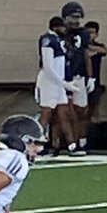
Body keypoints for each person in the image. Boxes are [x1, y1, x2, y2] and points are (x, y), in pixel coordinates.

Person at [35, 16, 79, 157]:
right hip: (49, 82)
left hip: (58, 82)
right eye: (62, 27)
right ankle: (37, 145)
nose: (65, 29)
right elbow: (48, 67)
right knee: (46, 115)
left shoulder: (59, 41)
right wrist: (64, 83)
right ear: (55, 27)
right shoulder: (47, 39)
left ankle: (68, 145)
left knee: (62, 114)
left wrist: (64, 82)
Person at [61, 0, 94, 154]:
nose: (76, 21)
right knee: (66, 111)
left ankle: (81, 140)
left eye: (78, 17)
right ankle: (70, 143)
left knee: (82, 111)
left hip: (79, 76)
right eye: (72, 17)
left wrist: (90, 77)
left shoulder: (83, 34)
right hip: (63, 77)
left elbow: (86, 55)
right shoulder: (59, 34)